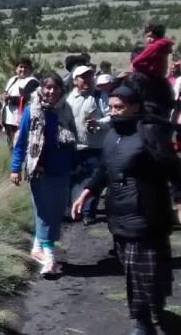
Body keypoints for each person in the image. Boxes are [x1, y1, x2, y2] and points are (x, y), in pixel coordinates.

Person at [72, 85, 181, 335]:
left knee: (138, 269)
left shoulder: (149, 134)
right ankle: (154, 303)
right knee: (133, 266)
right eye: (110, 107)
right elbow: (103, 170)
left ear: (135, 106)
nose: (113, 112)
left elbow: (173, 169)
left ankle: (142, 322)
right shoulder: (112, 136)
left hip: (146, 213)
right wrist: (86, 193)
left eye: (119, 107)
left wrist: (179, 200)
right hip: (119, 212)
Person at [10, 72, 77, 276]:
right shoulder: (32, 111)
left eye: (55, 88)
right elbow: (21, 142)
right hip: (39, 171)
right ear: (41, 89)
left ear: (60, 90)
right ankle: (49, 258)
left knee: (56, 212)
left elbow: (73, 139)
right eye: (47, 87)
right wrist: (15, 168)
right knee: (43, 212)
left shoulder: (66, 111)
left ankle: (38, 248)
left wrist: (75, 164)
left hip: (62, 170)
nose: (51, 91)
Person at [67, 65, 110, 226]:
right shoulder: (69, 99)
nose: (87, 80)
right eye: (83, 77)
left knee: (93, 180)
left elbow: (111, 117)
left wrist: (98, 123)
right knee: (76, 179)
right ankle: (75, 210)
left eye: (90, 76)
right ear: (75, 80)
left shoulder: (100, 97)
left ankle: (88, 213)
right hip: (75, 146)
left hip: (96, 146)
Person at [1, 57, 40, 149]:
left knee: (20, 145)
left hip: (22, 119)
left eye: (26, 67)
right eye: (21, 67)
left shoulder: (32, 82)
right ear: (16, 69)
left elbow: (29, 99)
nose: (23, 69)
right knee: (11, 144)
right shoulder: (13, 80)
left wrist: (11, 98)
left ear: (30, 69)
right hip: (9, 118)